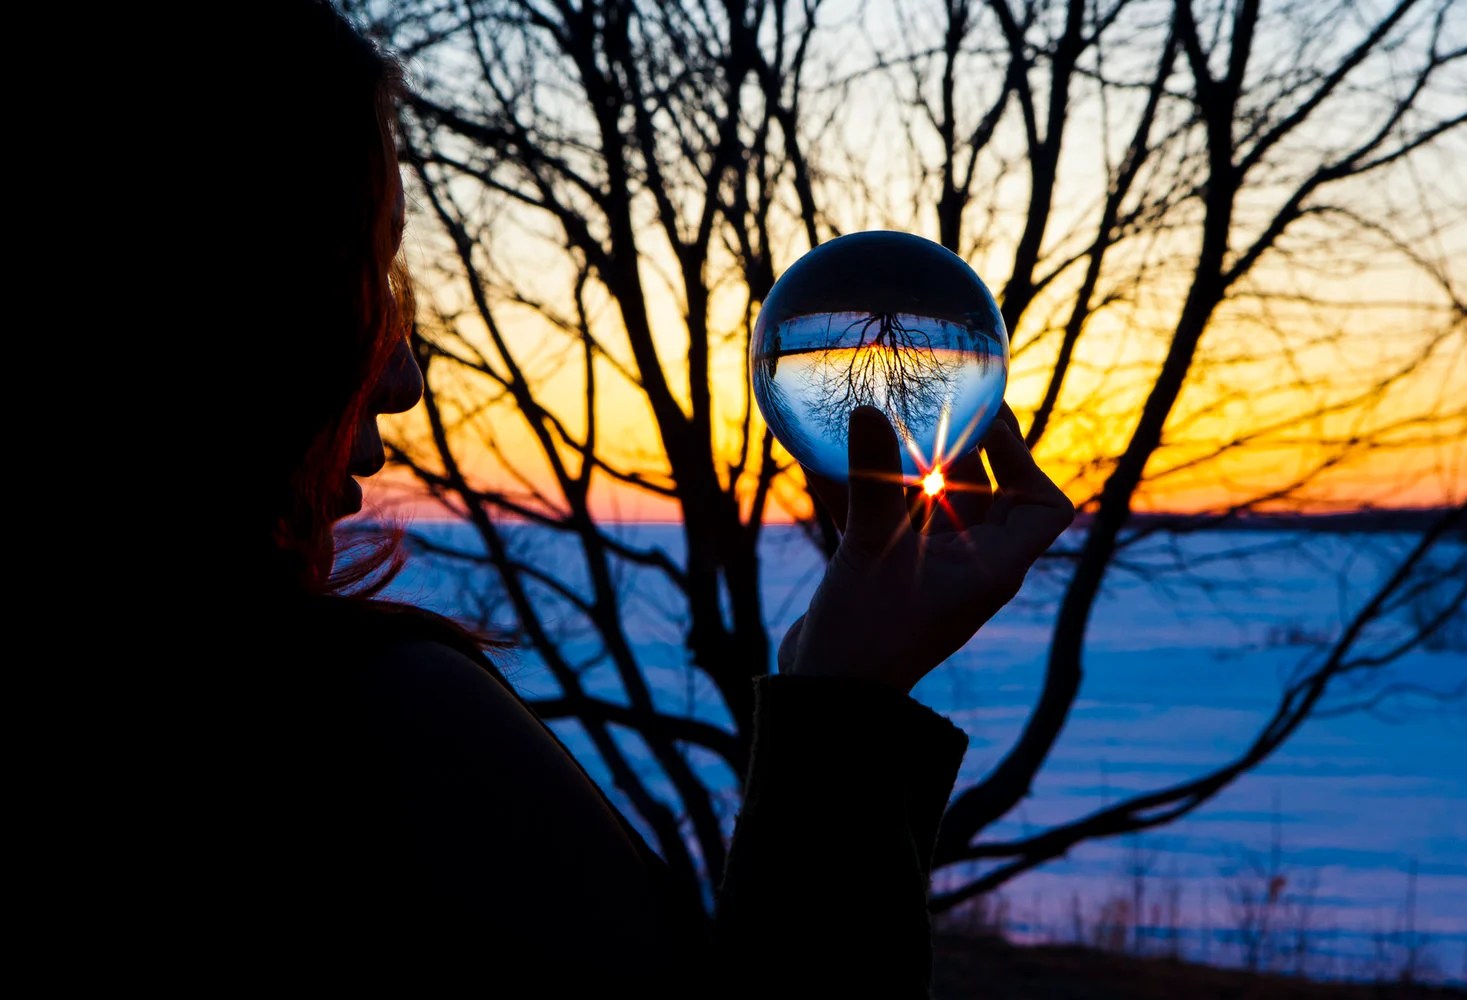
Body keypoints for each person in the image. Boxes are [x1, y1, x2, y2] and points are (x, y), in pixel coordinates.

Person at [225, 2, 1075, 994]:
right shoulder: (370, 723)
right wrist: (844, 706)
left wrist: (838, 681)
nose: (405, 374)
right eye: (364, 275)